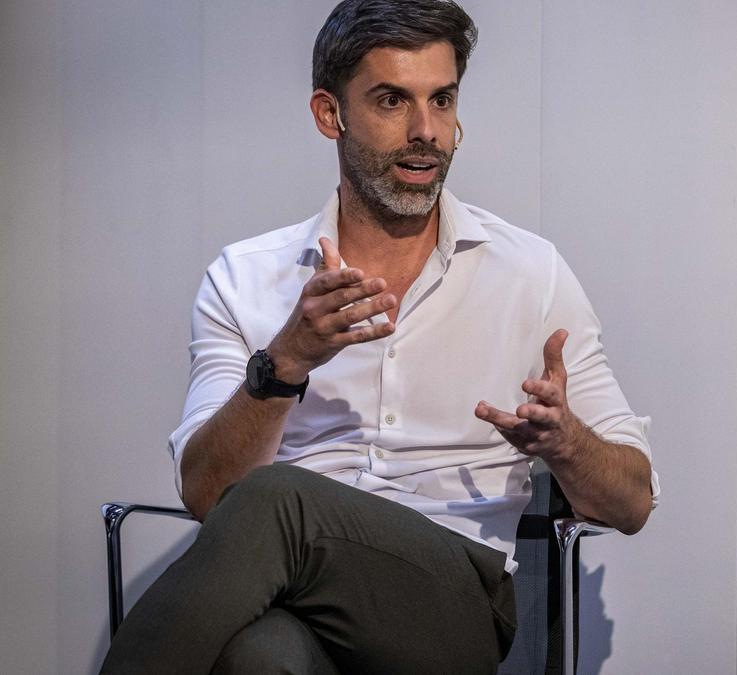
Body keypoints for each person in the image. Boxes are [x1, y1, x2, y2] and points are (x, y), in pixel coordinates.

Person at [100, 0, 660, 672]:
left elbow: (632, 501)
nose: (428, 131)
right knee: (258, 658)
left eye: (442, 99)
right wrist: (285, 362)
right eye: (393, 100)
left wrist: (566, 441)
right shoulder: (245, 278)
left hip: (449, 605)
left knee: (277, 500)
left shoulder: (529, 272)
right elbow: (206, 493)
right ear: (329, 114)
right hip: (289, 600)